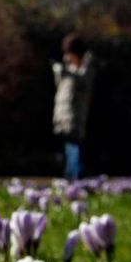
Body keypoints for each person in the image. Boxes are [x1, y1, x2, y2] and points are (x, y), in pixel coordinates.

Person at [52, 34, 96, 180]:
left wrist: (67, 72)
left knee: (75, 147)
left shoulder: (85, 68)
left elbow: (83, 80)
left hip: (75, 116)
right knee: (69, 147)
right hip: (63, 115)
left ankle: (77, 176)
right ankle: (71, 175)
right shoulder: (67, 70)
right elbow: (60, 87)